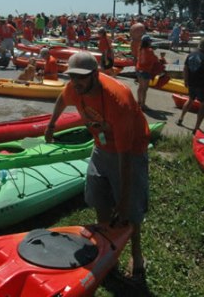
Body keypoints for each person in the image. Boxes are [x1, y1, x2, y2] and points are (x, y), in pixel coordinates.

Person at [44, 52, 150, 283]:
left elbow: (125, 157)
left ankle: (137, 258)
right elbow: (62, 100)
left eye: (81, 77)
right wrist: (51, 125)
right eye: (72, 77)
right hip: (101, 146)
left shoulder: (117, 100)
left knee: (129, 211)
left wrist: (122, 201)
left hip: (130, 151)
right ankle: (107, 252)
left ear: (95, 74)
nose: (76, 82)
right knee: (99, 199)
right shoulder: (74, 88)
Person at [176, 36, 204, 133]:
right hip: (202, 84)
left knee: (190, 100)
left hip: (191, 82)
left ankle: (180, 119)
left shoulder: (191, 54)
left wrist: (185, 80)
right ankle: (196, 127)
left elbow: (185, 68)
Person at [135, 34, 161, 111]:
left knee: (140, 87)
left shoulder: (140, 49)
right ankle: (143, 105)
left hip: (138, 69)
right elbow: (155, 60)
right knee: (144, 89)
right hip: (145, 71)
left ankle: (138, 102)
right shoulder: (150, 51)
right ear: (148, 42)